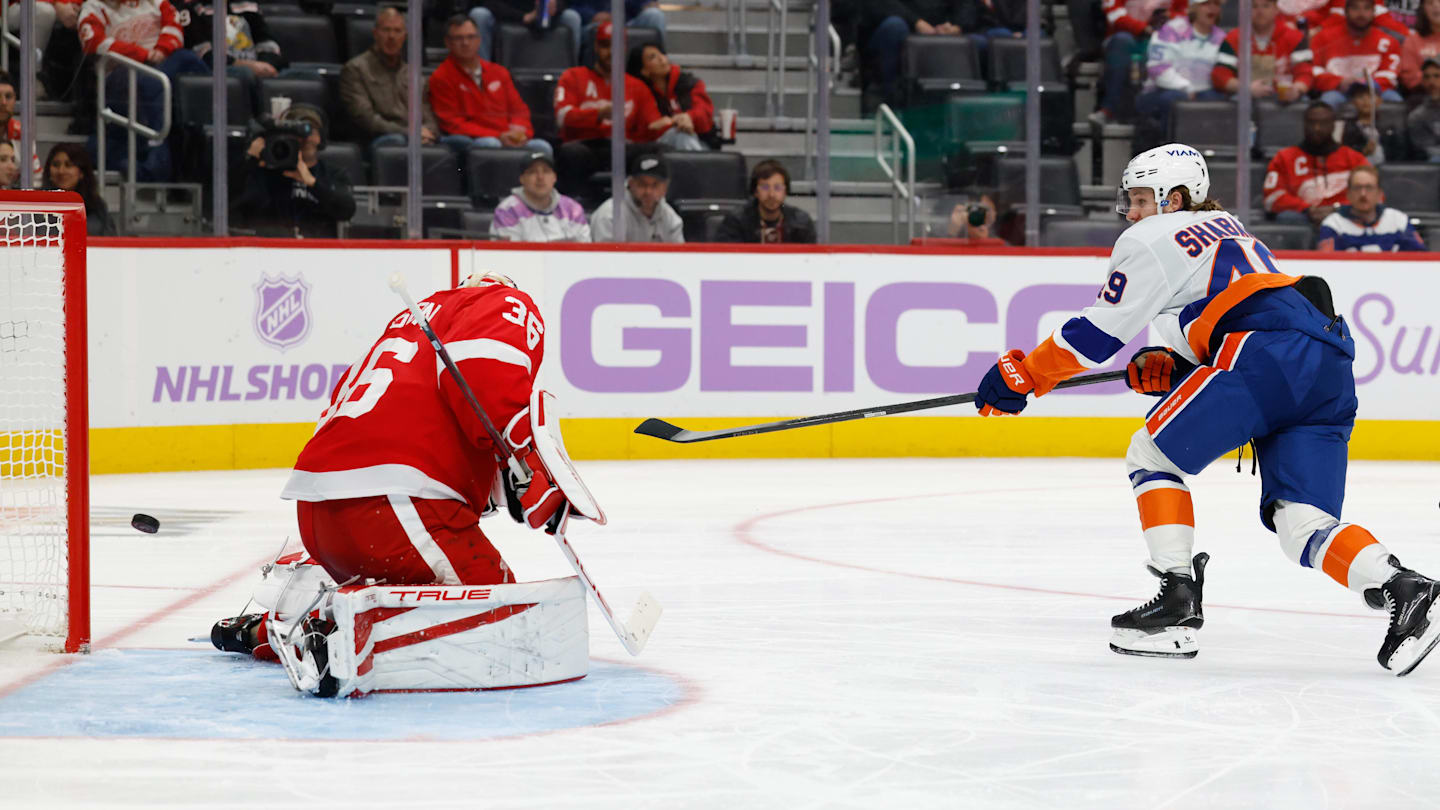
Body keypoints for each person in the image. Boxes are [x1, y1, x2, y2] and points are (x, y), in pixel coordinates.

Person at [972, 142, 1440, 675]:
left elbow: (1095, 336)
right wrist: (1175, 363)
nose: (1133, 210)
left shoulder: (1150, 236)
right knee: (1302, 524)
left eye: (1143, 197)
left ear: (1176, 196)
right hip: (1326, 360)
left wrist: (1024, 376)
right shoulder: (1230, 227)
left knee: (1152, 455)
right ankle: (1405, 586)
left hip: (1263, 353)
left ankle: (1176, 601)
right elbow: (1229, 311)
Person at [210, 272, 572, 688]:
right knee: (500, 619)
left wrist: (499, 483)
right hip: (391, 504)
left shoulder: (409, 323)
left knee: (407, 589)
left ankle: (282, 629)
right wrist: (527, 464)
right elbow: (485, 376)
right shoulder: (501, 302)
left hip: (319, 513)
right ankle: (333, 638)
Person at [77, 0, 209, 182]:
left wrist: (161, 50)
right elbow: (94, 42)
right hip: (121, 72)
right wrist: (143, 54)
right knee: (154, 82)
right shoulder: (94, 7)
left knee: (187, 59)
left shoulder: (156, 2)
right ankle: (157, 159)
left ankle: (208, 143)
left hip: (162, 63)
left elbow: (175, 27)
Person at [553, 22, 666, 198]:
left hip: (622, 148)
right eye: (606, 45)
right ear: (596, 47)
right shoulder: (573, 76)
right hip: (585, 146)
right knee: (570, 153)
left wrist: (668, 124)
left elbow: (652, 126)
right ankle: (573, 209)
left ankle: (651, 206)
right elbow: (562, 117)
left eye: (617, 46)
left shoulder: (637, 86)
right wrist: (598, 114)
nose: (612, 52)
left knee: (661, 151)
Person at [428, 15, 552, 160]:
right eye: (458, 38)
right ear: (447, 43)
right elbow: (452, 124)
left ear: (479, 40)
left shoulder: (498, 72)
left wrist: (520, 134)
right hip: (475, 140)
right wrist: (498, 136)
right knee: (490, 145)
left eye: (471, 37)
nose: (466, 43)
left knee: (542, 147)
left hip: (507, 136)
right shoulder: (441, 77)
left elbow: (519, 110)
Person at [230, 104, 356, 238]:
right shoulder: (266, 171)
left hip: (319, 252)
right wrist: (251, 160)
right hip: (271, 249)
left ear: (321, 138)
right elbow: (235, 205)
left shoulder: (333, 174)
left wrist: (313, 183)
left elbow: (347, 210)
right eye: (299, 133)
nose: (306, 138)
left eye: (311, 131)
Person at [339, 6, 438, 150]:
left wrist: (430, 132)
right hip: (379, 140)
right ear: (375, 33)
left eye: (397, 31)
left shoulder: (413, 73)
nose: (391, 36)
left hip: (415, 138)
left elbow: (428, 115)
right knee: (396, 141)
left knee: (451, 145)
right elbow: (366, 119)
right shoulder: (355, 69)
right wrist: (408, 133)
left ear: (405, 36)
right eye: (386, 30)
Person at [1132, 0, 1227, 151]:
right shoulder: (1172, 29)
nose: (1212, 9)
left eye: (1216, 4)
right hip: (1159, 93)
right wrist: (1187, 88)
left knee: (1218, 102)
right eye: (1206, 4)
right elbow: (1158, 69)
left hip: (1202, 95)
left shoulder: (1222, 38)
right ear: (1194, 8)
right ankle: (1165, 153)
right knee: (1174, 99)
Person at [1262, 101, 1370, 227]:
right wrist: (1307, 209)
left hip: (1345, 220)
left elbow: (1374, 196)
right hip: (1302, 219)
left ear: (1333, 125)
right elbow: (1272, 198)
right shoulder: (1284, 158)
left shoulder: (1354, 159)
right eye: (1312, 122)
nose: (1317, 128)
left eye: (1323, 123)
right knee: (1287, 217)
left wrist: (1337, 209)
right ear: (1304, 124)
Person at [859, 1, 983, 109]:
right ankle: (889, 100)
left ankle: (969, 105)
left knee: (982, 41)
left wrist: (956, 26)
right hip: (899, 25)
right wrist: (917, 22)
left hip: (942, 30)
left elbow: (967, 6)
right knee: (894, 26)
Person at [1094, 0, 1186, 124]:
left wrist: (1170, 16)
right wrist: (1143, 28)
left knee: (1163, 50)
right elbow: (1114, 14)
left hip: (1162, 38)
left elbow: (1187, 14)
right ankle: (1109, 109)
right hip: (1123, 36)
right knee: (1122, 42)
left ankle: (1148, 117)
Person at [1210, 0, 1312, 105]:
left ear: (1276, 9)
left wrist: (1296, 90)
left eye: (1266, 6)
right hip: (1244, 99)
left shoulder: (1295, 38)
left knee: (1305, 102)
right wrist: (1246, 87)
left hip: (1283, 100)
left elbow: (1305, 73)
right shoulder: (1233, 38)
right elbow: (1219, 75)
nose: (1260, 11)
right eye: (1254, 6)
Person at [1310, 0, 1404, 108]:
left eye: (1366, 8)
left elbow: (1390, 75)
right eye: (1355, 8)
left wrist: (1368, 85)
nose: (1361, 13)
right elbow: (1313, 71)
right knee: (1327, 102)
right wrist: (1339, 82)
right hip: (1338, 91)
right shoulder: (1322, 38)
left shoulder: (1388, 41)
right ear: (1345, 12)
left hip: (1375, 90)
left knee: (1395, 101)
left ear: (1374, 12)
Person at [627, 42, 717, 150]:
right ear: (643, 71)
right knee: (681, 135)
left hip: (698, 140)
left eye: (662, 53)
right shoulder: (639, 92)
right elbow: (647, 127)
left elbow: (704, 113)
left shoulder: (689, 83)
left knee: (685, 136)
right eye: (653, 57)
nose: (662, 58)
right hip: (657, 146)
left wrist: (689, 117)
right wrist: (673, 122)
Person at [1315, 165, 1427, 249]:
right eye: (1357, 187)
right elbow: (1327, 265)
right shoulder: (1333, 224)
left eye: (1369, 187)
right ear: (1348, 194)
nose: (1363, 194)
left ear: (1379, 193)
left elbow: (1420, 259)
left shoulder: (1398, 220)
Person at [173, 0, 286, 83]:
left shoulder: (247, 4)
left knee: (298, 74)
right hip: (220, 71)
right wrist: (248, 66)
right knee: (246, 74)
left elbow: (266, 40)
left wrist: (267, 63)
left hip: (260, 66)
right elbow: (202, 53)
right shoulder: (192, 8)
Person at [492, 150, 591, 242]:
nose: (540, 177)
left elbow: (586, 250)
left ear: (554, 177)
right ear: (522, 179)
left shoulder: (572, 208)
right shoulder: (507, 211)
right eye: (532, 172)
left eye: (546, 171)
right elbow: (509, 254)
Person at [714, 160, 817, 244]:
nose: (771, 194)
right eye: (765, 187)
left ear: (786, 191)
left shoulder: (801, 222)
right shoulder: (736, 221)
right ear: (755, 191)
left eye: (777, 188)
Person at [590, 152, 683, 242]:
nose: (648, 191)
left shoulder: (671, 219)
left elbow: (680, 256)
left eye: (655, 185)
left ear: (665, 188)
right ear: (631, 184)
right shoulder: (610, 214)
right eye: (642, 184)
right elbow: (606, 257)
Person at [468, 1, 583, 64]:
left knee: (572, 17)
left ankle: (572, 76)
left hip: (543, 15)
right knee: (479, 14)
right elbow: (489, 3)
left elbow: (567, 2)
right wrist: (522, 17)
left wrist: (556, 5)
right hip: (505, 15)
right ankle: (483, 72)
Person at [42, 142, 114, 235]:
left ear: (82, 172)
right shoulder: (38, 206)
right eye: (56, 165)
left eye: (69, 165)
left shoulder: (97, 207)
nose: (61, 171)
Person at [1338, 82, 1405, 164]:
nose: (1365, 100)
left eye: (1370, 96)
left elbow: (1400, 153)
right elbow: (1344, 153)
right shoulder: (1347, 127)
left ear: (1379, 101)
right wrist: (1362, 151)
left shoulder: (1389, 126)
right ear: (1353, 102)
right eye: (1360, 96)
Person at [1400, 0, 1440, 92]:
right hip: (1422, 96)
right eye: (1430, 3)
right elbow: (1409, 77)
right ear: (1423, 9)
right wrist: (1432, 80)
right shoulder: (1412, 40)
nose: (1436, 6)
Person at [1407, 58, 1440, 159]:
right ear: (1422, 81)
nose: (1431, 81)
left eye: (1437, 76)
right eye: (1427, 77)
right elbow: (1426, 149)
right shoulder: (1416, 116)